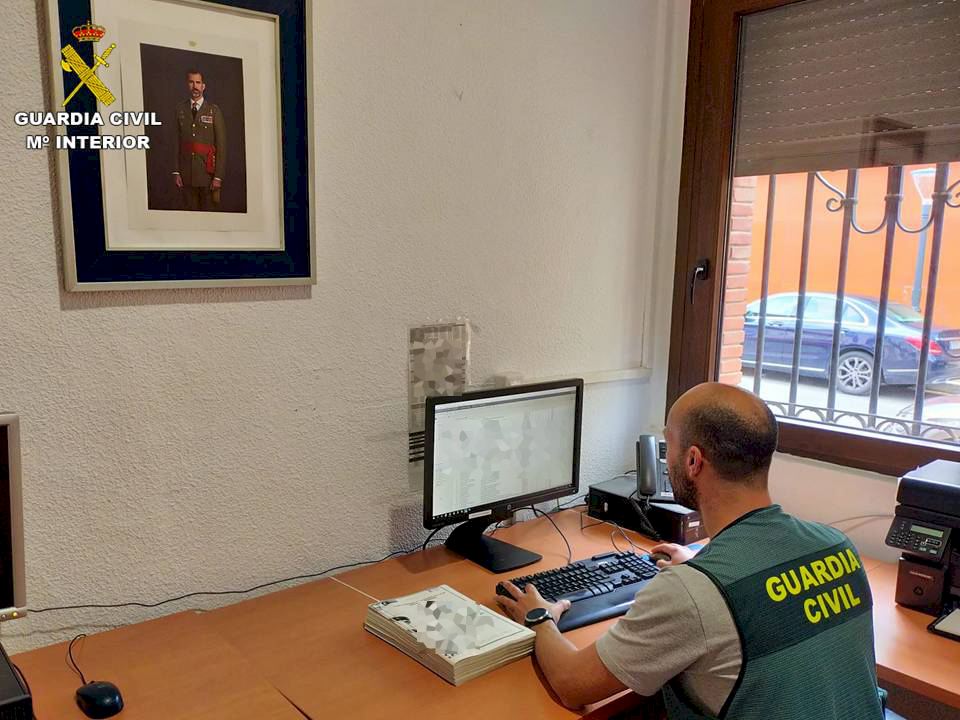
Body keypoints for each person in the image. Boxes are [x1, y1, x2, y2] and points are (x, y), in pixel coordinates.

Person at [496, 382, 886, 720]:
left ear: (693, 461)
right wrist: (703, 570)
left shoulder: (693, 593)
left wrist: (539, 617)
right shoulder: (835, 545)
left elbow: (573, 684)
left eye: (669, 444)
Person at [172, 69, 226, 211]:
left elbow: (221, 146)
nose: (195, 86)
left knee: (208, 216)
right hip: (186, 175)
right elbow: (176, 143)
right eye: (191, 82)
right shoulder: (180, 109)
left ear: (203, 86)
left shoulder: (213, 111)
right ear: (187, 85)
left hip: (207, 175)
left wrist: (218, 176)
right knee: (189, 215)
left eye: (198, 82)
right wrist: (176, 171)